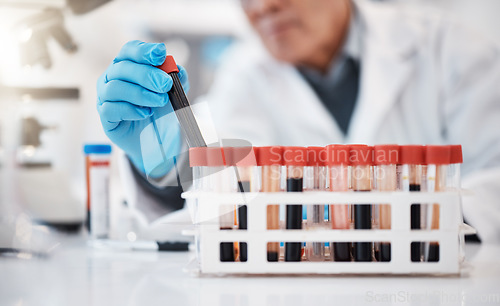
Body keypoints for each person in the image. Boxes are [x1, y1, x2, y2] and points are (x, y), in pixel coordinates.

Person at [96, 0, 500, 242]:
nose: (261, 7)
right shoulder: (243, 75)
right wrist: (165, 167)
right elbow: (229, 203)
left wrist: (393, 216)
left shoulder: (452, 52)